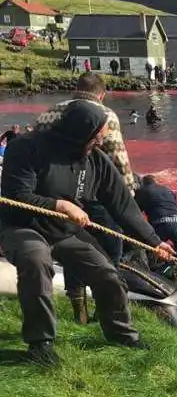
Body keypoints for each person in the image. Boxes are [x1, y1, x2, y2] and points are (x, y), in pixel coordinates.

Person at [0, 100, 175, 366]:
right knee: (36, 262)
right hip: (23, 226)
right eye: (98, 135)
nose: (101, 140)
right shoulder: (25, 147)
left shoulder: (96, 161)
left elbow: (123, 206)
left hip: (65, 231)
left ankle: (121, 334)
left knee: (107, 273)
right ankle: (41, 343)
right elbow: (17, 196)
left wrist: (154, 241)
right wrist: (59, 204)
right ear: (80, 132)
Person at [34, 72, 138, 322]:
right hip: (94, 195)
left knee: (74, 251)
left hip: (57, 195)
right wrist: (128, 197)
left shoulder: (49, 112)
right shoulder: (103, 115)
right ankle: (109, 309)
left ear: (76, 89)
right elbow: (117, 160)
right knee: (110, 249)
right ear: (101, 95)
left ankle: (79, 311)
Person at [135, 175, 177, 257]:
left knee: (151, 251)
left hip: (160, 225)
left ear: (143, 184)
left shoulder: (143, 191)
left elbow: (135, 211)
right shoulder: (168, 190)